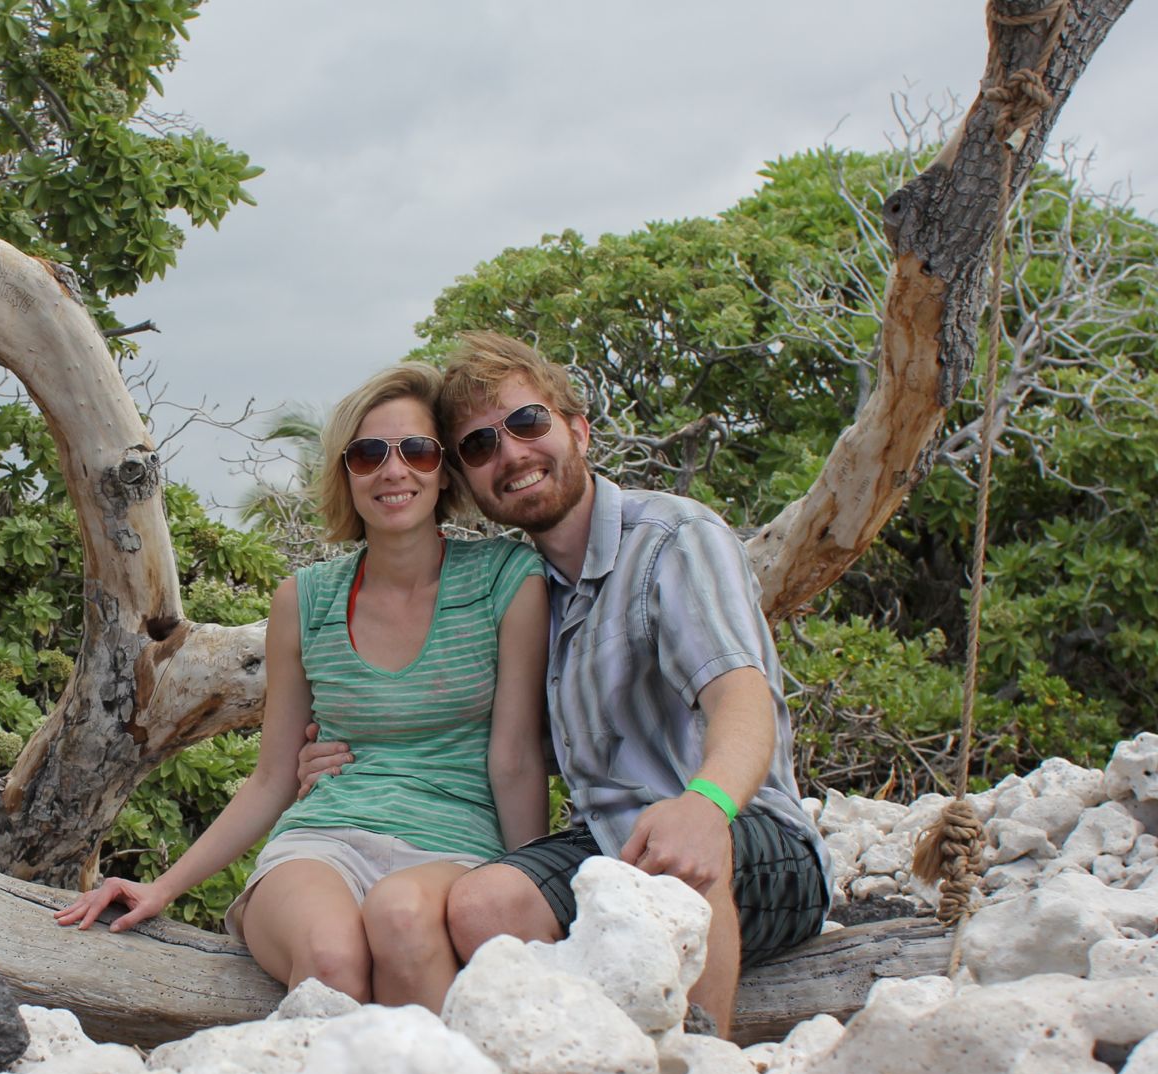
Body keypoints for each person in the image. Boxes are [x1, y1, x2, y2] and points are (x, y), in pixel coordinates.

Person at [300, 332, 830, 1035]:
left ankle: (702, 1073)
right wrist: (345, 755)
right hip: (605, 844)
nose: (511, 453)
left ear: (577, 429)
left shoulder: (671, 537)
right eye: (481, 445)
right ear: (467, 480)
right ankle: (571, 1063)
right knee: (480, 905)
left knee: (675, 852)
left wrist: (707, 802)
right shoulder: (525, 590)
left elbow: (741, 694)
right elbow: (477, 735)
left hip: (746, 833)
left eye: (527, 422)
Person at [56, 361, 549, 1012]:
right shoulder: (305, 599)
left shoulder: (506, 579)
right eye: (369, 454)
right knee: (331, 959)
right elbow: (272, 778)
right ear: (345, 473)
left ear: (444, 470)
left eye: (417, 451)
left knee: (402, 919)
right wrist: (163, 886)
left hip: (455, 848)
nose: (394, 471)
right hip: (323, 842)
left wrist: (527, 883)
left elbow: (515, 759)